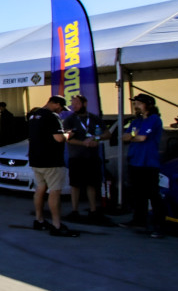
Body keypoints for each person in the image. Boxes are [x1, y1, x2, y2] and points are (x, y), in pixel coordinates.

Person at [28, 96, 78, 237]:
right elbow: (59, 138)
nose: (61, 111)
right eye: (61, 108)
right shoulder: (52, 116)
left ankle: (39, 220)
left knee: (40, 189)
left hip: (36, 160)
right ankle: (57, 225)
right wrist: (69, 134)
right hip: (51, 160)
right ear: (55, 104)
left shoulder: (33, 116)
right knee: (54, 192)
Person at [62, 95, 112, 224]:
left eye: (77, 103)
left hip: (92, 157)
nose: (74, 106)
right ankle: (74, 210)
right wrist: (83, 143)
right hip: (76, 157)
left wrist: (96, 138)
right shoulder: (69, 120)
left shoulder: (94, 118)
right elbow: (67, 138)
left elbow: (107, 134)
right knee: (75, 185)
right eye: (73, 104)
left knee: (92, 183)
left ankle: (93, 210)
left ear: (85, 103)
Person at [122, 93, 165, 237]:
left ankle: (158, 225)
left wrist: (133, 136)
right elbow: (125, 137)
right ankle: (139, 219)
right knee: (137, 193)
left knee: (152, 193)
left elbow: (141, 137)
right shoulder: (137, 121)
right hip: (135, 160)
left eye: (139, 104)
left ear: (148, 105)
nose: (136, 106)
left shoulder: (153, 119)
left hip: (148, 162)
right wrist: (134, 136)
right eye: (135, 104)